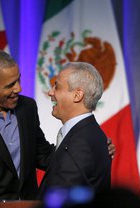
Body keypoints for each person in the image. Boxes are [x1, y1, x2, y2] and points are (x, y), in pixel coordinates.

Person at [0, 49, 115, 202]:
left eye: (18, 80)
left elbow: (44, 155)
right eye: (10, 85)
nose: (19, 88)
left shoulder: (27, 108)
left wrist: (90, 150)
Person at [38, 62, 112, 199]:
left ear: (77, 95)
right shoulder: (86, 134)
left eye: (57, 87)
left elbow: (60, 203)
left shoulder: (80, 142)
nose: (50, 92)